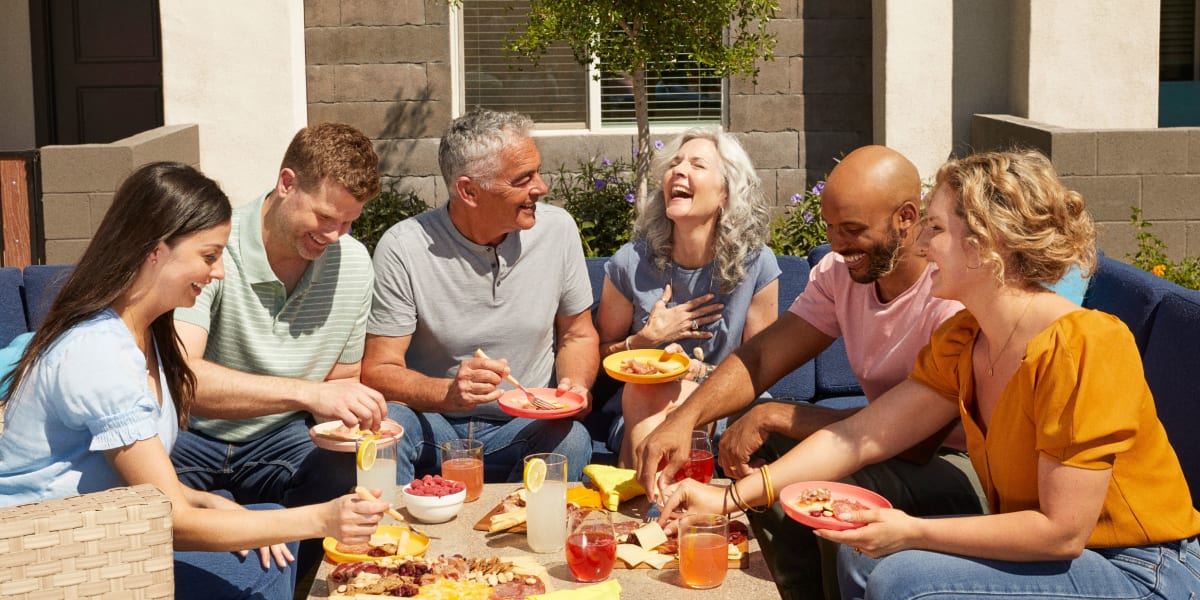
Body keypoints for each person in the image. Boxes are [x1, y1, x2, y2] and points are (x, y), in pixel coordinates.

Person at [659, 149, 1200, 600]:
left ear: (989, 243)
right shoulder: (964, 339)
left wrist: (911, 533)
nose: (918, 245)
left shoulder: (1087, 345)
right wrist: (730, 498)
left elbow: (1062, 533)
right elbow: (858, 436)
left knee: (902, 574)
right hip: (1065, 558)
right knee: (862, 544)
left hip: (1140, 568)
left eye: (935, 229)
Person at [0, 162, 389, 600]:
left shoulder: (144, 334)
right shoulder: (100, 352)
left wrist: (203, 499)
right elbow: (168, 521)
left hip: (99, 533)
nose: (219, 271)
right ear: (154, 249)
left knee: (265, 530)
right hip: (50, 561)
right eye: (209, 256)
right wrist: (323, 519)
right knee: (266, 560)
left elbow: (132, 483)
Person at [636, 145, 987, 599]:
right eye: (830, 228)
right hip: (883, 438)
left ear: (905, 217)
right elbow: (762, 357)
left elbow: (916, 440)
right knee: (762, 439)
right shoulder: (842, 272)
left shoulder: (950, 296)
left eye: (853, 229)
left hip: (961, 466)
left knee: (827, 481)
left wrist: (777, 415)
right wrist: (682, 421)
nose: (839, 244)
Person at [170, 123, 394, 574]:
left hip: (282, 441)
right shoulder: (214, 249)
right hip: (187, 438)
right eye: (325, 217)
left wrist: (355, 421)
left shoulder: (352, 262)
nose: (335, 234)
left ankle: (327, 584)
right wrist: (309, 394)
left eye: (349, 221)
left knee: (365, 468)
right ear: (287, 183)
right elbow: (183, 380)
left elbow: (341, 381)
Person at [362, 109, 597, 482]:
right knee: (386, 427)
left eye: (537, 172)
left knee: (571, 440)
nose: (541, 187)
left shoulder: (558, 230)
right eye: (524, 179)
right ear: (469, 191)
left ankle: (532, 533)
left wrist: (575, 386)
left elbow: (577, 334)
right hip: (433, 427)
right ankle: (392, 537)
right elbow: (378, 369)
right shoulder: (404, 246)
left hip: (523, 426)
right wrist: (449, 393)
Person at [595, 127, 779, 467]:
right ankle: (654, 506)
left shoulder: (757, 263)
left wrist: (697, 374)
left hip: (730, 405)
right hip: (649, 407)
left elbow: (763, 368)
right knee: (654, 398)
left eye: (697, 165)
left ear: (726, 193)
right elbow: (599, 359)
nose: (679, 171)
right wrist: (645, 341)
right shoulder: (629, 263)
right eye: (675, 164)